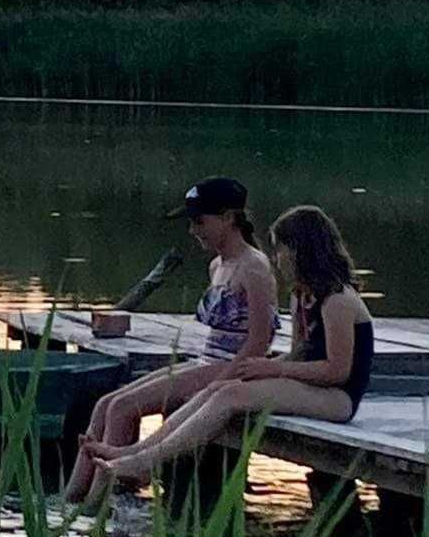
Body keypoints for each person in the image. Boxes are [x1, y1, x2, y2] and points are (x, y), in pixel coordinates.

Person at [86, 204, 375, 489]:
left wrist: (274, 367)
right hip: (312, 387)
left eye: (281, 249)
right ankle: (135, 452)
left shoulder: (337, 300)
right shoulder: (302, 296)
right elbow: (301, 353)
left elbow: (337, 371)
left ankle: (146, 461)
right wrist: (263, 369)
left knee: (231, 395)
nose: (277, 259)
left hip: (338, 398)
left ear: (302, 250)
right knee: (217, 388)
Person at [64, 176, 277, 506]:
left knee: (122, 409)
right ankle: (69, 499)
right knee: (106, 404)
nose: (193, 230)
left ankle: (99, 507)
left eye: (199, 221)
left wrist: (220, 382)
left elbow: (260, 341)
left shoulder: (254, 268)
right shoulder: (216, 266)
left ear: (229, 218)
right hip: (205, 360)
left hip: (230, 366)